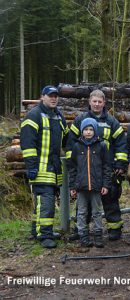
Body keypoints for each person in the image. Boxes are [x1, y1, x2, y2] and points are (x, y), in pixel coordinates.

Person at [66, 89, 128, 241]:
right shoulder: (80, 120)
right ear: (89, 102)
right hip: (85, 168)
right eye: (94, 101)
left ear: (104, 103)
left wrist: (120, 164)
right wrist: (73, 163)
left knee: (110, 197)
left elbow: (120, 142)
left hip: (106, 167)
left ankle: (114, 228)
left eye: (100, 102)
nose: (97, 104)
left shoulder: (111, 121)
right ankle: (81, 229)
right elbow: (71, 142)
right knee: (84, 201)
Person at [20, 85, 68, 248]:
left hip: (53, 169)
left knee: (41, 202)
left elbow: (65, 140)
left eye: (56, 96)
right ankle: (45, 235)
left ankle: (36, 230)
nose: (53, 98)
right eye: (50, 96)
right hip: (40, 169)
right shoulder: (33, 116)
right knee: (46, 202)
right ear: (42, 97)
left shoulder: (58, 116)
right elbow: (27, 145)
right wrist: (31, 167)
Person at [68, 118, 111, 248]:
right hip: (81, 187)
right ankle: (83, 235)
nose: (88, 132)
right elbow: (73, 168)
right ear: (82, 131)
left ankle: (98, 235)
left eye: (91, 129)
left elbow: (106, 166)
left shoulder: (101, 146)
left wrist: (105, 184)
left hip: (97, 186)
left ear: (95, 131)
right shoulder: (77, 146)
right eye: (86, 129)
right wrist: (72, 186)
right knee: (81, 212)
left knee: (97, 212)